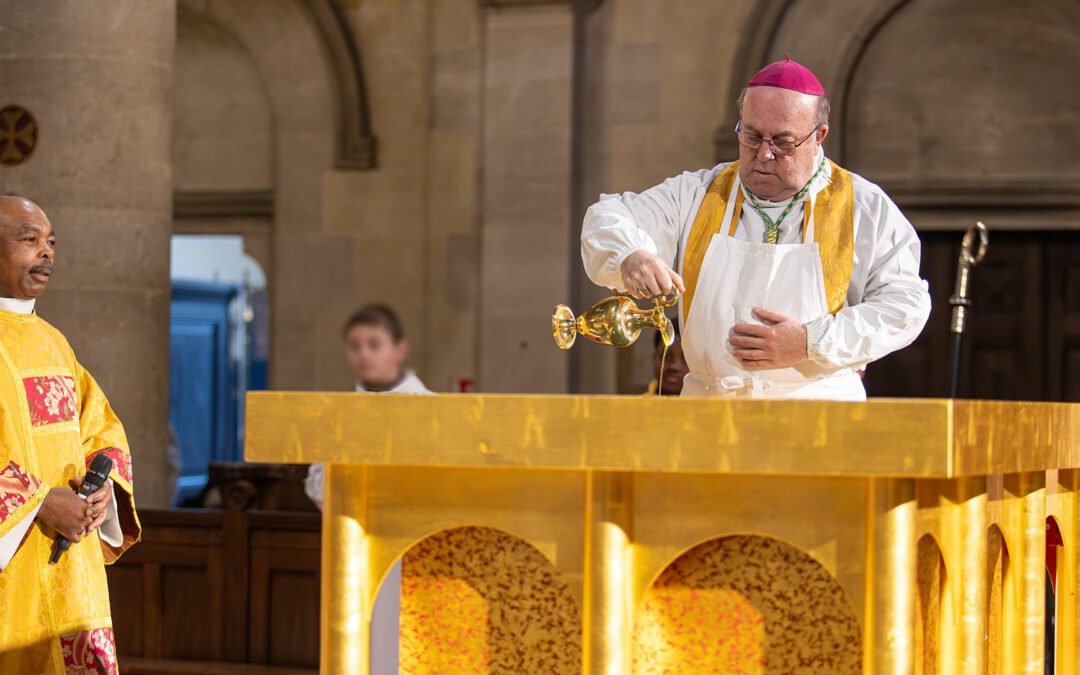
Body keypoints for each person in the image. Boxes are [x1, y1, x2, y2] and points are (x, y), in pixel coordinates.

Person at [581, 56, 931, 401]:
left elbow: (906, 305)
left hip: (817, 411)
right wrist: (630, 254)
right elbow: (608, 216)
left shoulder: (863, 206)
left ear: (818, 136)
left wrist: (812, 342)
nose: (763, 154)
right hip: (710, 410)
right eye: (751, 136)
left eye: (782, 142)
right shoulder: (699, 194)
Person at [0, 196, 140, 674]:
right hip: (12, 573)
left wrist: (104, 491)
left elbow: (100, 426)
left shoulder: (54, 340)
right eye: (30, 240)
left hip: (71, 572)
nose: (47, 254)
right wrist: (39, 503)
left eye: (52, 243)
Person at [303, 303, 430, 675]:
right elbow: (315, 480)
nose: (364, 355)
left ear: (399, 349)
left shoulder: (431, 409)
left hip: (413, 555)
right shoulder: (340, 412)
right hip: (354, 545)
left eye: (374, 344)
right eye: (355, 346)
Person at [644, 319, 688, 396]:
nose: (674, 367)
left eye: (685, 359)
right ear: (654, 358)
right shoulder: (637, 406)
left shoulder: (712, 406)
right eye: (667, 357)